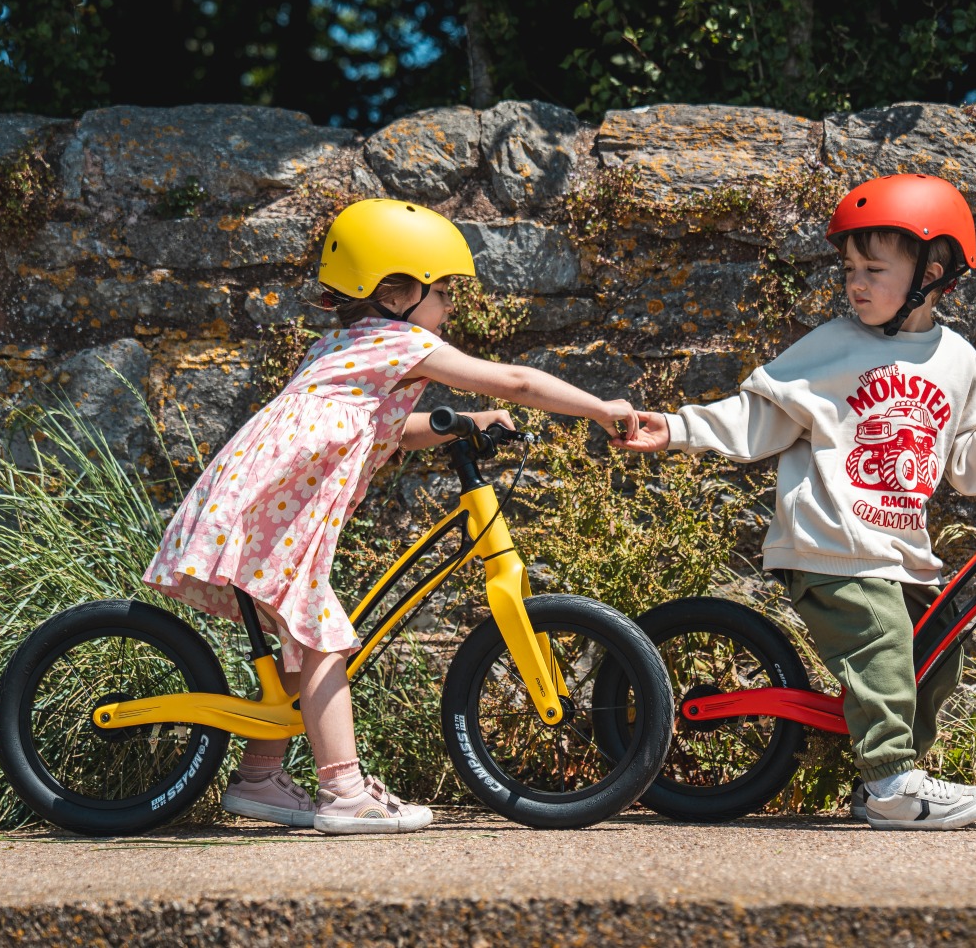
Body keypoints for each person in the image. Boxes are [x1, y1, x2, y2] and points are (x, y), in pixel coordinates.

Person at [143, 199, 639, 834]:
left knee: (305, 634)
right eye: (444, 292)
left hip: (256, 508)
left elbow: (389, 431)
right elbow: (513, 379)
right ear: (397, 290)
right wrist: (599, 407)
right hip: (270, 512)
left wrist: (465, 422)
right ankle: (344, 793)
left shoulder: (343, 345)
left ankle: (260, 779)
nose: (451, 307)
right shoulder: (400, 341)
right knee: (322, 629)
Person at [621, 174, 976, 830]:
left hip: (897, 549)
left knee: (939, 646)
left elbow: (968, 466)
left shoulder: (957, 360)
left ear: (932, 272)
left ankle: (887, 783)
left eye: (875, 268)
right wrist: (675, 427)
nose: (856, 283)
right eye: (849, 268)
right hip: (832, 542)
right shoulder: (833, 347)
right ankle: (894, 781)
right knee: (882, 639)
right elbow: (760, 417)